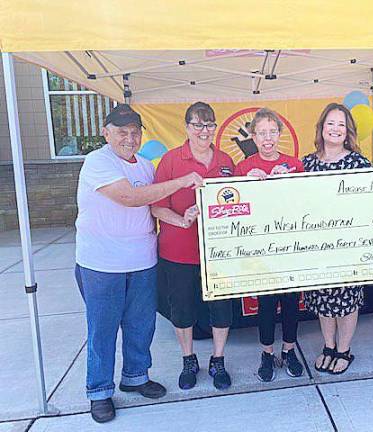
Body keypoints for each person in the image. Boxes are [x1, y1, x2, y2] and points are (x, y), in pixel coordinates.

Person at [75, 104, 202, 423]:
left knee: (141, 324)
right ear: (106, 133)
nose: (129, 138)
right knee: (102, 330)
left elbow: (155, 207)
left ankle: (135, 376)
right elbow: (130, 197)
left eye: (135, 132)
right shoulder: (97, 162)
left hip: (143, 260)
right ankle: (99, 390)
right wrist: (182, 181)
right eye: (121, 132)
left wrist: (182, 219)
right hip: (101, 264)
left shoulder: (146, 166)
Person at [151, 102, 235, 391]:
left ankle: (218, 359)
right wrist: (182, 219)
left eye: (209, 124)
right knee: (182, 309)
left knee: (222, 308)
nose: (204, 131)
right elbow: (156, 207)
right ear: (186, 127)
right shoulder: (171, 161)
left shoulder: (225, 161)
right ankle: (189, 359)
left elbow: (236, 202)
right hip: (178, 251)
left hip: (217, 253)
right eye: (198, 124)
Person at [234, 108, 305, 382]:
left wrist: (289, 181)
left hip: (289, 246)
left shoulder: (294, 164)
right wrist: (246, 184)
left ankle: (289, 350)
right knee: (265, 303)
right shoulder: (243, 168)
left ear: (280, 134)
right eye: (261, 133)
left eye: (272, 132)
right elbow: (236, 210)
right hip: (260, 248)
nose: (267, 138)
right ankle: (266, 352)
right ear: (253, 136)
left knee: (290, 301)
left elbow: (305, 203)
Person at [302, 103, 371, 375]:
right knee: (322, 300)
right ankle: (328, 347)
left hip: (347, 246)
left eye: (341, 124)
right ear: (321, 128)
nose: (335, 129)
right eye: (330, 123)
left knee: (346, 299)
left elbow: (368, 205)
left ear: (348, 131)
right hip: (315, 247)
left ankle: (344, 350)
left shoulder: (358, 163)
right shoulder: (306, 163)